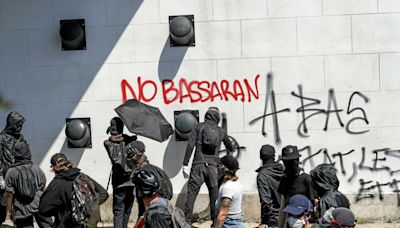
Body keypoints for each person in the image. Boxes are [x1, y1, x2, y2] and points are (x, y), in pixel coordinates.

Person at [182, 107, 234, 224]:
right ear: (217, 118)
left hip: (198, 165)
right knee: (214, 198)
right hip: (213, 167)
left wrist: (185, 164)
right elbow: (231, 147)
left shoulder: (198, 127)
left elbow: (190, 145)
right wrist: (224, 162)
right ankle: (215, 224)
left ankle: (186, 223)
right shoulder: (220, 131)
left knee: (191, 196)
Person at [38, 153, 109, 228]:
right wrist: (88, 205)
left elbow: (42, 209)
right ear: (68, 163)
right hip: (89, 223)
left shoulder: (56, 183)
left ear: (53, 168)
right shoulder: (82, 176)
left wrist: (58, 211)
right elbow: (104, 194)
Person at [4, 140, 52, 228]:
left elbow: (9, 195)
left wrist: (9, 213)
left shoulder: (11, 171)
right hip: (39, 204)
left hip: (21, 208)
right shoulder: (36, 168)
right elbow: (42, 185)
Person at [103, 116, 137, 228]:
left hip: (118, 182)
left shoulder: (107, 143)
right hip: (131, 181)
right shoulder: (129, 141)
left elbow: (112, 141)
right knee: (127, 210)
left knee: (118, 212)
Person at [128, 144, 173, 218]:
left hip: (152, 207)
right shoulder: (155, 169)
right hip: (163, 202)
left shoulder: (143, 175)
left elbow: (143, 203)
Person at [277, 145, 316, 228]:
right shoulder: (284, 179)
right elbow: (283, 206)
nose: (291, 165)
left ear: (297, 161)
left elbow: (314, 205)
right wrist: (280, 225)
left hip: (304, 222)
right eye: (287, 162)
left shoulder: (307, 179)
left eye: (293, 161)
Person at [0, 111, 26, 224]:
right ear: (12, 124)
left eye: (21, 125)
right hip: (6, 176)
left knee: (19, 205)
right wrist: (0, 177)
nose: (20, 127)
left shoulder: (20, 137)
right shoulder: (1, 138)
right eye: (18, 124)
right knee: (4, 204)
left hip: (19, 175)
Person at [256, 144, 284, 228]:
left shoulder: (262, 175)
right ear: (274, 156)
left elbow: (266, 202)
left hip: (273, 220)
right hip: (287, 215)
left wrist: (264, 221)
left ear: (260, 157)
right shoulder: (283, 170)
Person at [213, 155, 244, 228]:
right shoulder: (236, 183)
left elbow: (223, 214)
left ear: (225, 168)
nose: (217, 167)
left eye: (219, 165)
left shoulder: (228, 187)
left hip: (228, 224)